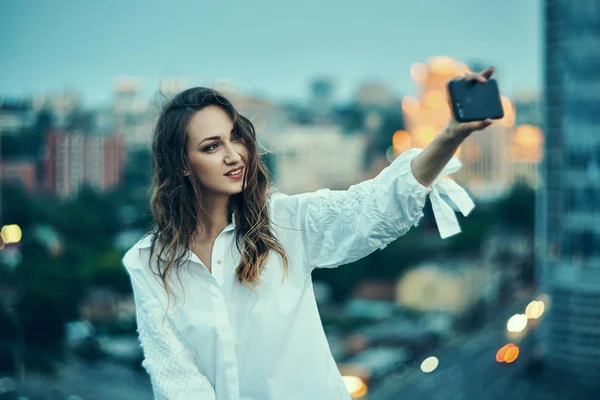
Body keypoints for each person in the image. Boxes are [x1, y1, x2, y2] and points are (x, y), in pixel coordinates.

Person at [122, 67, 497, 399]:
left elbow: (380, 205)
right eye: (211, 146)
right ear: (182, 165)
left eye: (235, 137)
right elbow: (177, 381)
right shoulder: (148, 264)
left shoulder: (286, 222)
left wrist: (451, 134)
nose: (234, 155)